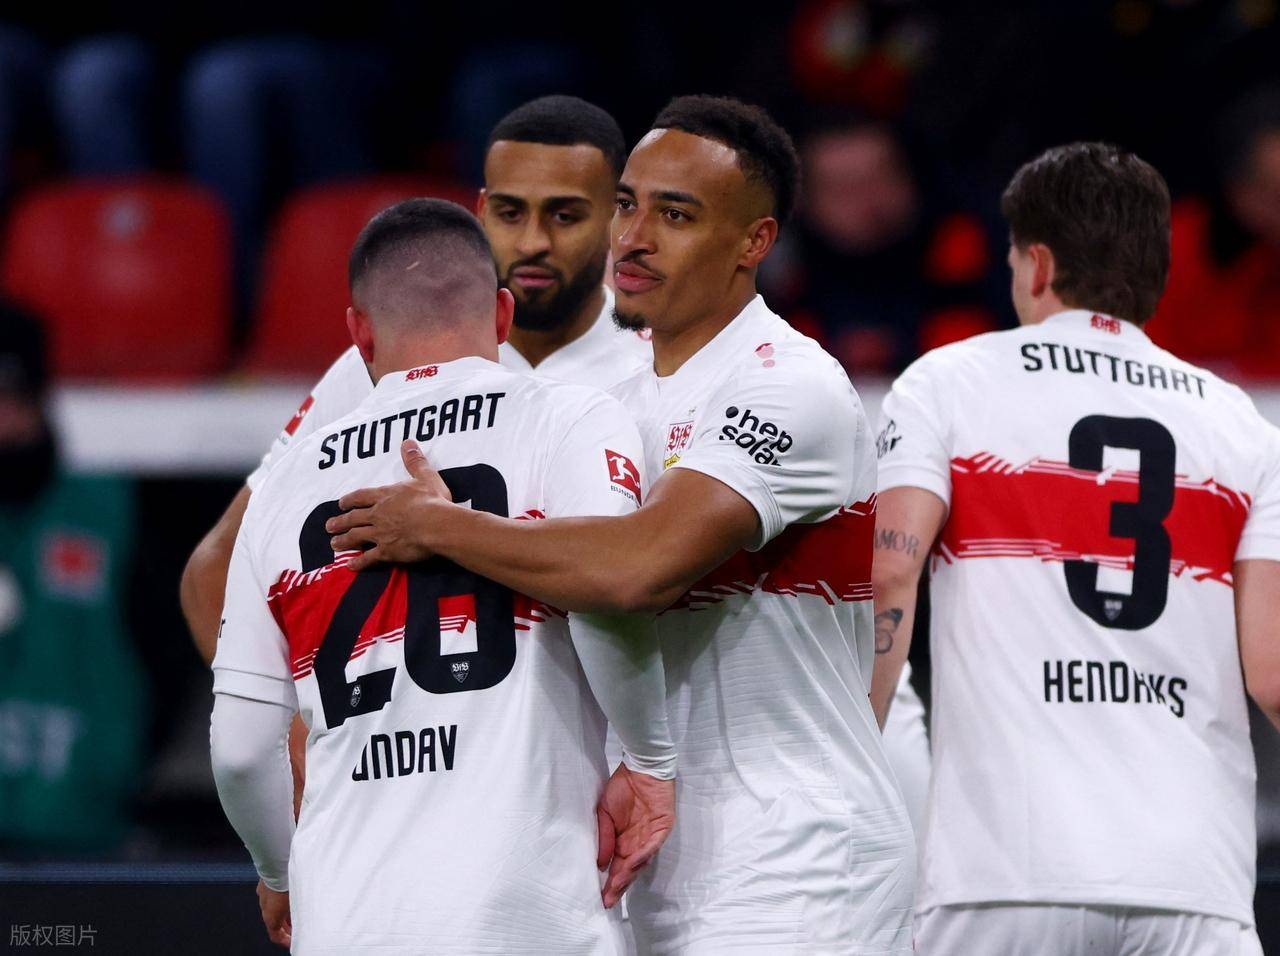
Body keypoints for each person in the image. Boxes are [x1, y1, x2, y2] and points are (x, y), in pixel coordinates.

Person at [327, 95, 915, 954]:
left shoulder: (789, 385)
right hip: (648, 858)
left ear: (754, 241)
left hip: (800, 859)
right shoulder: (605, 403)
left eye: (675, 215)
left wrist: (441, 528)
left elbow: (638, 569)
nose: (632, 239)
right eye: (629, 204)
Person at [210, 199, 676, 953]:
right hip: (528, 913)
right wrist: (651, 761)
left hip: (347, 921)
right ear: (502, 314)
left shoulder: (286, 482)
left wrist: (278, 870)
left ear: (360, 332)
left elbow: (239, 748)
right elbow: (605, 601)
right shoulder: (568, 418)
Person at [871, 141, 1280, 954]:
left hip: (1003, 875)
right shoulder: (1242, 423)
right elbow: (1271, 673)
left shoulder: (947, 383)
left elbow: (889, 571)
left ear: (1038, 265)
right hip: (1193, 880)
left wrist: (851, 760)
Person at [0, 300, 147, 854]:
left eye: (11, 397)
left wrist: (121, 764)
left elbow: (165, 645)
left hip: (81, 826)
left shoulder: (107, 509)